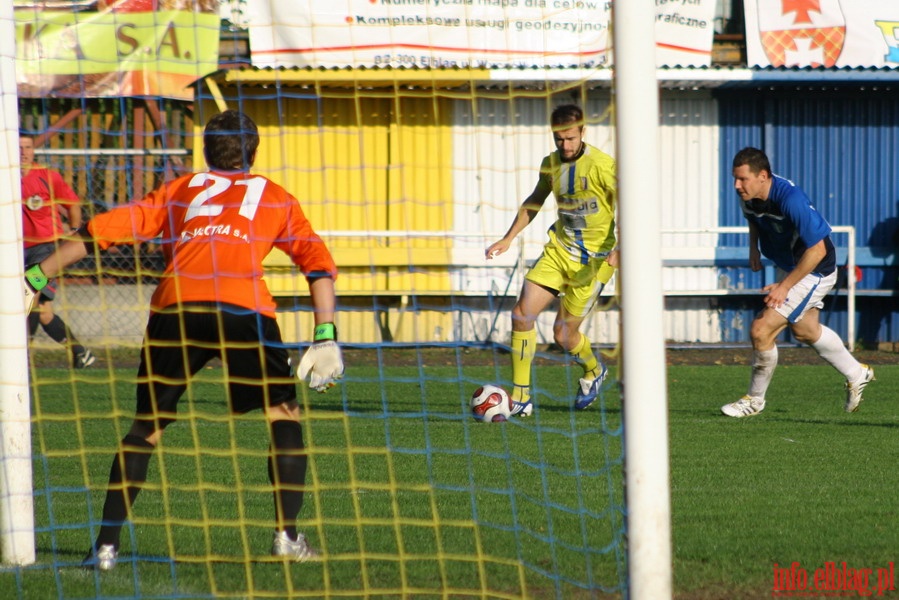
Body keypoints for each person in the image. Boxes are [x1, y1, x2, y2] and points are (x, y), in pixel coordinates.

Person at [23, 110, 344, 570]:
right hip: (244, 309)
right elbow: (317, 264)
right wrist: (325, 334)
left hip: (176, 308)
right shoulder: (274, 196)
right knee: (282, 416)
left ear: (206, 150)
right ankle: (287, 537)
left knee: (145, 429)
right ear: (253, 151)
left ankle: (106, 548)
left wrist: (37, 274)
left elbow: (102, 231)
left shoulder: (181, 189)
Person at [721, 147, 874, 418]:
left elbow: (818, 251)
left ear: (763, 176)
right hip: (792, 265)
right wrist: (753, 248)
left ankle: (754, 400)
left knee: (761, 330)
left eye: (742, 179)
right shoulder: (747, 195)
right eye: (735, 178)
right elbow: (753, 219)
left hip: (815, 269)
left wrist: (784, 286)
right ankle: (856, 372)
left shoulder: (791, 199)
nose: (736, 185)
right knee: (805, 330)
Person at [485, 104, 618, 415]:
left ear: (583, 132)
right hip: (558, 251)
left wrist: (622, 247)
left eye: (571, 138)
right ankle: (520, 397)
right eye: (559, 139)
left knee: (563, 335)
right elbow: (535, 199)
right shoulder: (551, 164)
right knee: (521, 315)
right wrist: (508, 237)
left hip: (593, 262)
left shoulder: (602, 166)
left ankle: (594, 371)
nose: (565, 146)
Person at [20, 131, 95, 368]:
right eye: (19, 147)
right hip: (13, 252)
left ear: (34, 150)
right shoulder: (5, 178)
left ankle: (22, 355)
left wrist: (73, 229)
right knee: (44, 313)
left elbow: (72, 204)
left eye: (28, 147)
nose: (24, 152)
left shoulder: (47, 176)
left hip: (44, 250)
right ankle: (81, 353)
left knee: (29, 295)